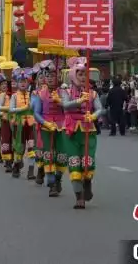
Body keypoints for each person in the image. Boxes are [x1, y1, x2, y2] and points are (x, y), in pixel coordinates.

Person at [60, 57, 105, 209]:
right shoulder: (65, 91)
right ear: (73, 75)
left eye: (85, 75)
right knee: (74, 162)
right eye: (79, 74)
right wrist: (78, 102)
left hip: (88, 130)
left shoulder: (92, 93)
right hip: (71, 131)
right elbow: (65, 106)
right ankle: (79, 197)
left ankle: (87, 182)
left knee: (88, 161)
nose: (82, 78)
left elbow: (100, 109)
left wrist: (93, 116)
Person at [33, 60, 66, 195]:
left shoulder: (64, 92)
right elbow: (36, 113)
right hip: (46, 127)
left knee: (62, 156)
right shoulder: (40, 94)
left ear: (59, 77)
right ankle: (51, 184)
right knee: (49, 156)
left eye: (54, 76)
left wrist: (61, 101)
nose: (51, 79)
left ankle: (58, 178)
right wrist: (44, 123)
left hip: (62, 126)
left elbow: (68, 108)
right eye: (48, 76)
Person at [8, 68, 38, 179]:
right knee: (19, 148)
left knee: (31, 147)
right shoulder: (14, 96)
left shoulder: (32, 94)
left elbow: (36, 108)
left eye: (25, 81)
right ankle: (16, 165)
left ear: (28, 83)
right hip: (18, 124)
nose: (23, 84)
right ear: (17, 83)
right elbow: (11, 110)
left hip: (30, 124)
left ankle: (31, 171)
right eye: (21, 82)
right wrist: (23, 109)